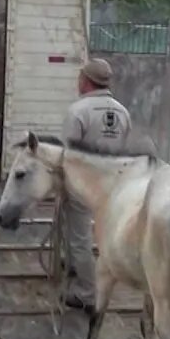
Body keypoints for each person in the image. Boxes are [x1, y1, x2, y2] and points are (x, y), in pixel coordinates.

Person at [60, 58, 133, 310]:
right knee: (103, 238)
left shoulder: (78, 111)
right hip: (112, 187)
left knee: (79, 239)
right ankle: (78, 268)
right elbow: (123, 148)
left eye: (80, 77)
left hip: (83, 185)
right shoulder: (122, 112)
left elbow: (69, 155)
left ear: (86, 80)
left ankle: (87, 293)